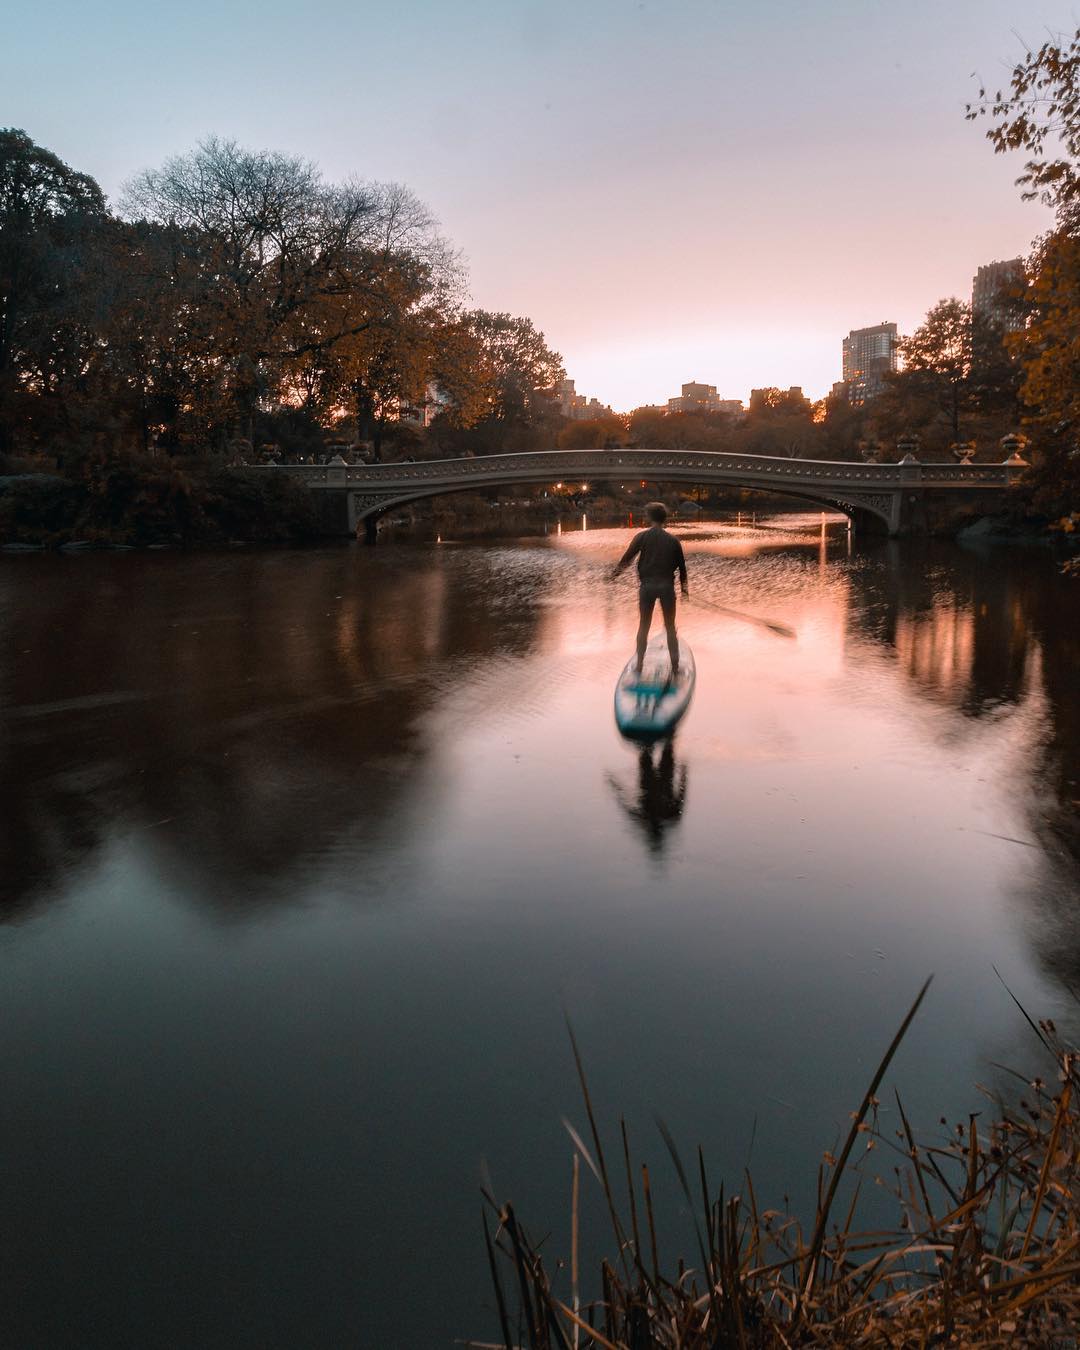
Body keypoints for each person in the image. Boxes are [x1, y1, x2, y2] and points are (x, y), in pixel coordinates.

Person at [612, 501, 688, 674]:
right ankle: (675, 668)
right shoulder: (673, 541)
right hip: (667, 588)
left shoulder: (642, 537)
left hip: (647, 588)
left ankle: (639, 665)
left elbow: (627, 559)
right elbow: (682, 567)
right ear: (664, 518)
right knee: (670, 627)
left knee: (643, 626)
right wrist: (684, 590)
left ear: (649, 517)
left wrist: (614, 575)